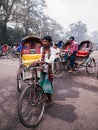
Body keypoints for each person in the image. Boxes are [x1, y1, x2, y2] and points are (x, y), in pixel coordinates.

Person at [39, 36, 57, 107]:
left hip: (48, 70)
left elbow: (51, 60)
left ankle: (50, 100)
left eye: (46, 41)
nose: (44, 42)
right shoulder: (41, 49)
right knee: (41, 84)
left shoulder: (53, 50)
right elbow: (39, 57)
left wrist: (42, 62)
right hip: (41, 68)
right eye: (43, 41)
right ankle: (44, 98)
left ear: (49, 42)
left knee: (47, 85)